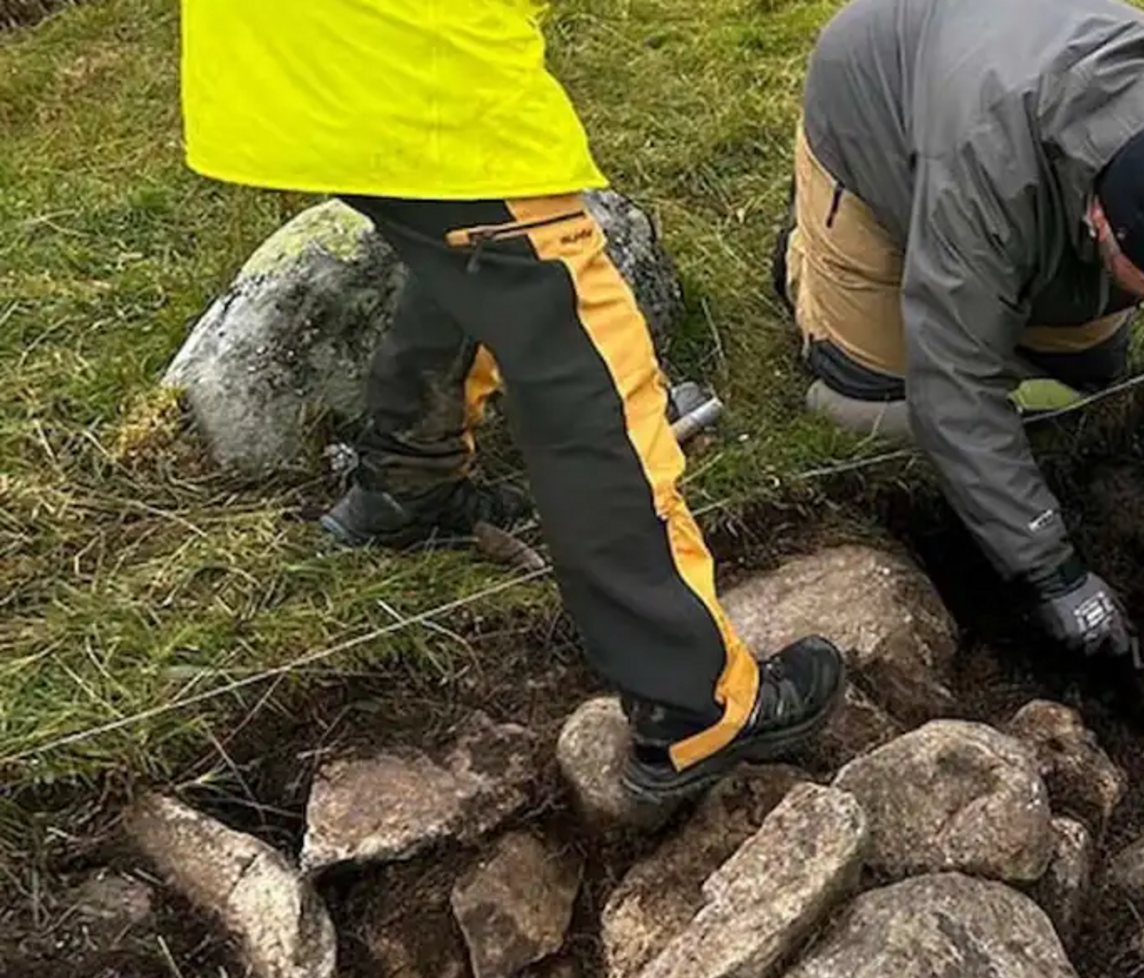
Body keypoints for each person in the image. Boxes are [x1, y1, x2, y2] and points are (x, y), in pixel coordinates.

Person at [176, 0, 846, 810]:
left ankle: (407, 484)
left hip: (305, 52)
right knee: (578, 343)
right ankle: (695, 699)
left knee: (477, 243)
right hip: (404, 54)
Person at [773, 0, 1144, 661]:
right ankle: (803, 250)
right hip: (879, 122)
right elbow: (951, 386)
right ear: (1100, 216)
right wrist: (1053, 575)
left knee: (1090, 367)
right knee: (869, 393)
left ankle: (1009, 285)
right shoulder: (984, 161)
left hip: (1025, 177)